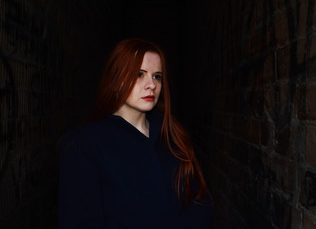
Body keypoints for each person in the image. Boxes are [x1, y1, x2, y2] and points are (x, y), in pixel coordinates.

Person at [58, 38, 213, 228]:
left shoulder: (172, 135)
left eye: (157, 76)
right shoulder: (84, 143)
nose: (152, 85)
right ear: (116, 78)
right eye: (140, 74)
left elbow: (199, 202)